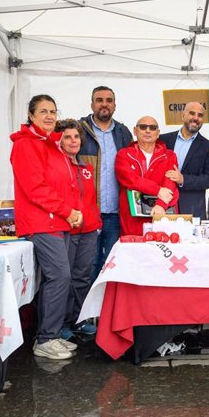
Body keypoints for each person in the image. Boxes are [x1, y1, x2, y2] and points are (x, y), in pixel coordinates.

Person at [10, 94, 79, 360]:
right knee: (60, 276)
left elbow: (61, 185)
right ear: (31, 115)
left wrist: (69, 213)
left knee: (58, 277)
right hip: (40, 223)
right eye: (43, 111)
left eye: (53, 111)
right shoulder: (26, 145)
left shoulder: (50, 144)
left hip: (55, 221)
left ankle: (50, 334)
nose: (49, 116)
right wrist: (67, 211)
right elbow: (36, 188)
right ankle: (46, 338)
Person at [79, 86, 133, 280]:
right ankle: (87, 310)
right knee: (88, 264)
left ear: (115, 105)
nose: (104, 104)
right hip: (88, 211)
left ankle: (106, 308)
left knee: (111, 262)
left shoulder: (123, 133)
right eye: (99, 100)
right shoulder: (79, 130)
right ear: (92, 104)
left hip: (115, 213)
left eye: (109, 100)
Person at [55, 119, 102, 340]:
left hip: (89, 230)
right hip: (66, 230)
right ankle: (62, 322)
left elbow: (91, 199)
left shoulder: (86, 168)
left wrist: (97, 222)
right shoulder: (58, 166)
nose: (73, 141)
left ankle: (79, 320)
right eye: (68, 137)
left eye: (76, 137)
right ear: (60, 141)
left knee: (83, 276)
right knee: (65, 277)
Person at [116, 116, 179, 236]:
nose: (148, 130)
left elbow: (170, 182)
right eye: (143, 127)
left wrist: (161, 205)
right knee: (133, 252)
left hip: (161, 213)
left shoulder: (170, 155)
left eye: (152, 128)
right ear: (135, 131)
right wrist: (158, 190)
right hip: (132, 218)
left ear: (158, 133)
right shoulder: (123, 154)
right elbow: (130, 179)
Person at [160, 102, 209, 219]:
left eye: (200, 115)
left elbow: (208, 179)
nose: (196, 118)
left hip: (192, 209)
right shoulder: (163, 140)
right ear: (183, 115)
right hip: (162, 206)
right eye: (192, 113)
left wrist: (183, 179)